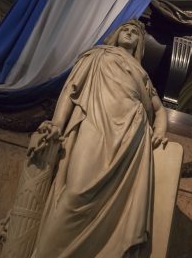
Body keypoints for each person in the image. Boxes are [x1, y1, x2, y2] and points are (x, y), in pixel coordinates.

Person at [27, 19, 168, 258]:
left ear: (140, 43)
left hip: (132, 134)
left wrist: (160, 130)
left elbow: (159, 109)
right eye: (126, 29)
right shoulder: (97, 55)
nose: (130, 33)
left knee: (119, 207)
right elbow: (71, 90)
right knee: (76, 192)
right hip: (95, 122)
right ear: (116, 33)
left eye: (135, 33)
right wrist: (58, 124)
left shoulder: (141, 72)